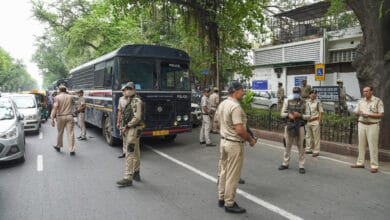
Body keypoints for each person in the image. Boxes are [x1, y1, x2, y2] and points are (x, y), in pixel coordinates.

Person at [216, 81, 256, 214]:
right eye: (242, 90)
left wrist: (226, 131)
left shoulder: (223, 104)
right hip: (234, 144)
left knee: (224, 172)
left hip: (223, 142)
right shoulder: (235, 107)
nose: (243, 92)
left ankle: (221, 198)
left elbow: (217, 123)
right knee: (233, 175)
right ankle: (229, 203)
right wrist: (250, 140)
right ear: (236, 92)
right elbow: (239, 129)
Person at [351, 86, 384, 173]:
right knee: (361, 145)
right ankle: (360, 163)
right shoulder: (361, 101)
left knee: (372, 146)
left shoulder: (377, 101)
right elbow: (355, 111)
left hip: (372, 125)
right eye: (364, 91)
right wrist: (358, 113)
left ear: (371, 92)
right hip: (361, 124)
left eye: (367, 91)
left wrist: (369, 115)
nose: (365, 93)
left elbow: (381, 114)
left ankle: (374, 165)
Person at [116, 82, 143, 187]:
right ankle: (136, 173)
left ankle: (128, 177)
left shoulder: (136, 101)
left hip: (133, 129)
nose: (127, 90)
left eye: (130, 89)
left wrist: (127, 126)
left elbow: (137, 117)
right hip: (133, 129)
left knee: (129, 152)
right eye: (126, 88)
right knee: (135, 151)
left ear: (134, 90)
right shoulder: (130, 101)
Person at [278, 87, 307, 174]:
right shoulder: (287, 101)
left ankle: (301, 165)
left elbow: (309, 116)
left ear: (300, 93)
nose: (296, 94)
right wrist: (288, 115)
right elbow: (282, 114)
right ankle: (285, 163)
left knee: (301, 146)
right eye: (294, 92)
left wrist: (300, 115)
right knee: (287, 145)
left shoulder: (305, 103)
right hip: (290, 126)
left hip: (300, 126)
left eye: (297, 92)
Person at [50, 84, 76, 155]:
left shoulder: (56, 97)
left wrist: (52, 118)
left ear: (59, 90)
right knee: (70, 133)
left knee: (60, 132)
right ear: (65, 90)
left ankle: (58, 146)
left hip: (60, 117)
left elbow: (55, 107)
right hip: (70, 116)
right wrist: (69, 93)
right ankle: (72, 149)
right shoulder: (70, 97)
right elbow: (74, 103)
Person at [304, 90, 323, 157]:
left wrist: (319, 121)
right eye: (312, 94)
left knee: (316, 137)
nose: (313, 95)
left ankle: (316, 151)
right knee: (308, 136)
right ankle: (308, 149)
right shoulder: (306, 102)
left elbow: (320, 112)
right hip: (308, 121)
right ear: (309, 95)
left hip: (315, 121)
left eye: (315, 94)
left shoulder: (318, 102)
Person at [116, 84, 131, 158]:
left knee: (130, 137)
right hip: (123, 120)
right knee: (124, 136)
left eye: (125, 90)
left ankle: (130, 153)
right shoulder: (120, 99)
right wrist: (118, 122)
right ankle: (124, 152)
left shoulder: (131, 99)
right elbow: (119, 111)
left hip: (130, 120)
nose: (124, 92)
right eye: (123, 91)